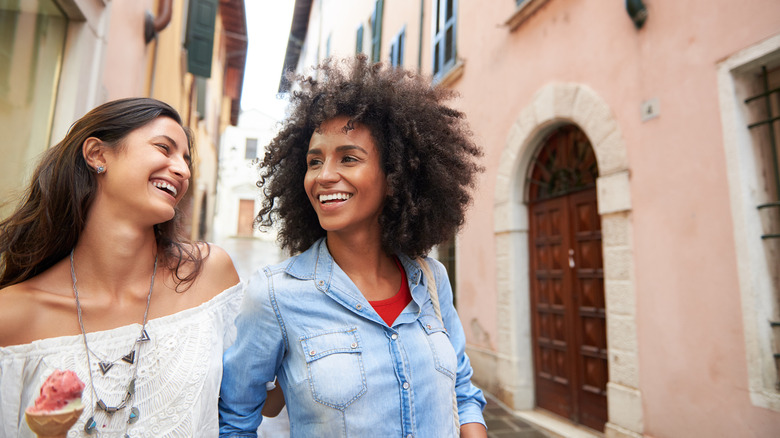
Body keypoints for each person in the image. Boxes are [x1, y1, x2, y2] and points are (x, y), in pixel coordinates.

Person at [219, 55, 488, 437]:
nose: (325, 176)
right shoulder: (275, 294)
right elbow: (234, 420)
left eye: (348, 158)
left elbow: (462, 391)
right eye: (314, 162)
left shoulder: (431, 279)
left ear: (394, 176)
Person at [0, 98, 247, 437]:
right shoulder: (12, 316)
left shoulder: (209, 277)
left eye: (187, 160)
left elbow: (259, 400)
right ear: (98, 155)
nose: (183, 170)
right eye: (164, 148)